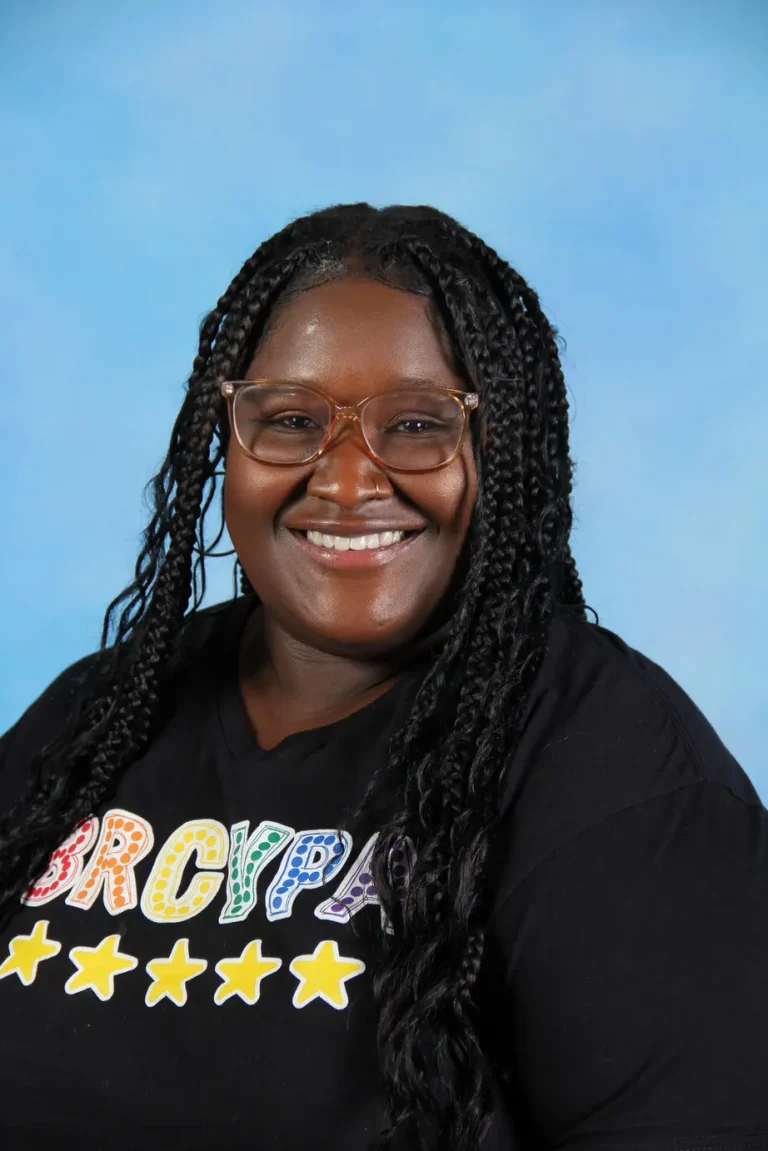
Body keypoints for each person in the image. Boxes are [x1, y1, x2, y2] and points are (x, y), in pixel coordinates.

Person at [0, 203, 765, 1151]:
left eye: (414, 425)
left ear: (501, 448)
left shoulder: (617, 772)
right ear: (225, 440)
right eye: (291, 420)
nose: (347, 480)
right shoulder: (93, 720)